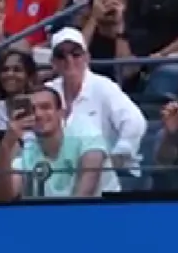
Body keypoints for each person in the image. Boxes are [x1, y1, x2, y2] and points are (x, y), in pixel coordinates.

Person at [46, 27, 147, 177]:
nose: (69, 60)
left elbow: (135, 121)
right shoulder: (48, 91)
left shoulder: (104, 86)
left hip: (105, 174)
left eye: (76, 54)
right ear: (53, 62)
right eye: (61, 55)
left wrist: (119, 154)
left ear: (87, 57)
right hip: (60, 174)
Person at [0, 86, 118, 200]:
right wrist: (6, 144)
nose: (38, 114)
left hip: (104, 212)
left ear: (61, 113)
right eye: (32, 109)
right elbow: (4, 198)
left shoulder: (85, 133)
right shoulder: (27, 149)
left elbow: (85, 193)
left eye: (45, 107)